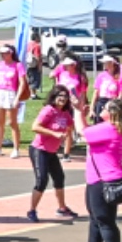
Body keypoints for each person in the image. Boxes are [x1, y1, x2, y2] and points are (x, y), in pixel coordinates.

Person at [73, 101, 122, 242]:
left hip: (104, 180)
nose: (102, 109)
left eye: (105, 108)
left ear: (112, 113)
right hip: (96, 178)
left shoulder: (108, 128)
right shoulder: (108, 128)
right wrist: (82, 115)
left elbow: (82, 132)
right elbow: (88, 132)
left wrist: (77, 111)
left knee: (105, 220)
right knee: (95, 218)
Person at [25, 84, 80, 224]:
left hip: (51, 151)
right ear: (54, 97)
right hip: (39, 149)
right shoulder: (48, 110)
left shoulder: (66, 114)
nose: (63, 98)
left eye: (65, 96)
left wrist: (79, 110)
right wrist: (54, 133)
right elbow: (35, 127)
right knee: (42, 180)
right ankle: (32, 210)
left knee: (59, 178)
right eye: (60, 96)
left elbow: (71, 130)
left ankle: (62, 208)